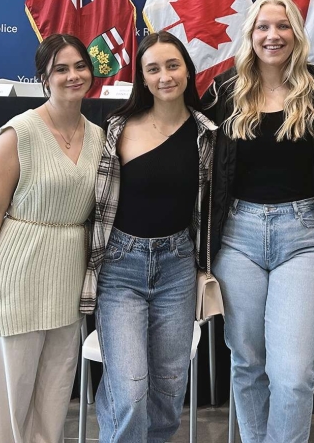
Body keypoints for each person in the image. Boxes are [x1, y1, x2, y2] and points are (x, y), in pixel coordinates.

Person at [203, 0, 314, 443]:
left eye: (283, 26)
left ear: (297, 33)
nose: (273, 35)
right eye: (263, 26)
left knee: (293, 373)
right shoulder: (224, 92)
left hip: (303, 236)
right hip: (238, 237)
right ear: (250, 33)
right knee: (247, 362)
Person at [0, 34, 104, 443]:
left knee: (54, 395)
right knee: (8, 396)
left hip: (68, 277)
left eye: (80, 66)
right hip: (17, 274)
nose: (73, 75)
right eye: (61, 69)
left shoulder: (100, 137)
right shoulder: (18, 134)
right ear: (44, 78)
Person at [79, 31, 217, 442]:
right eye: (153, 69)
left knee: (170, 387)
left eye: (173, 66)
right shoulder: (118, 127)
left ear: (188, 71)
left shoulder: (207, 133)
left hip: (177, 267)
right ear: (142, 77)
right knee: (130, 389)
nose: (164, 76)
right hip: (121, 267)